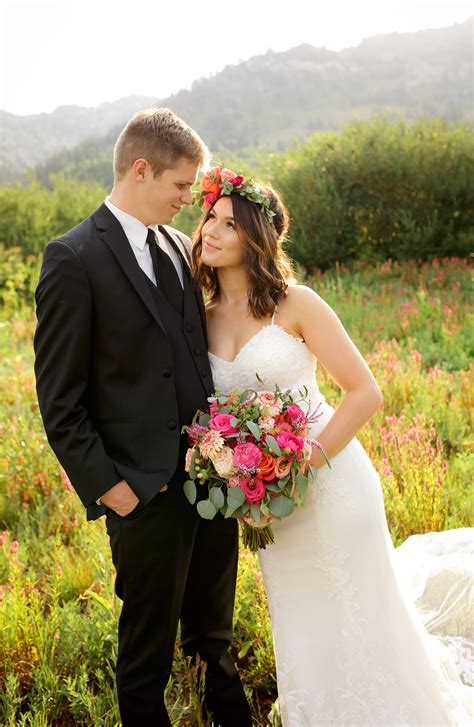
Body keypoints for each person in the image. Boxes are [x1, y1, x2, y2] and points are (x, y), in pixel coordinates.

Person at [191, 166, 473, 726]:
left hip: (334, 481)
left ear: (257, 239)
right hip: (266, 503)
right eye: (208, 219)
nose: (211, 232)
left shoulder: (296, 304)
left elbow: (365, 392)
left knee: (361, 609)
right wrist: (233, 476)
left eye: (229, 223)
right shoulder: (197, 319)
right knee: (301, 616)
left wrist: (304, 464)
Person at [34, 113, 252, 726]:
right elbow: (59, 399)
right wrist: (114, 491)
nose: (192, 202)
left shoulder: (180, 249)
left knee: (216, 637)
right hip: (141, 493)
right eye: (183, 187)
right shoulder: (73, 257)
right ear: (140, 170)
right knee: (145, 656)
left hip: (210, 483)